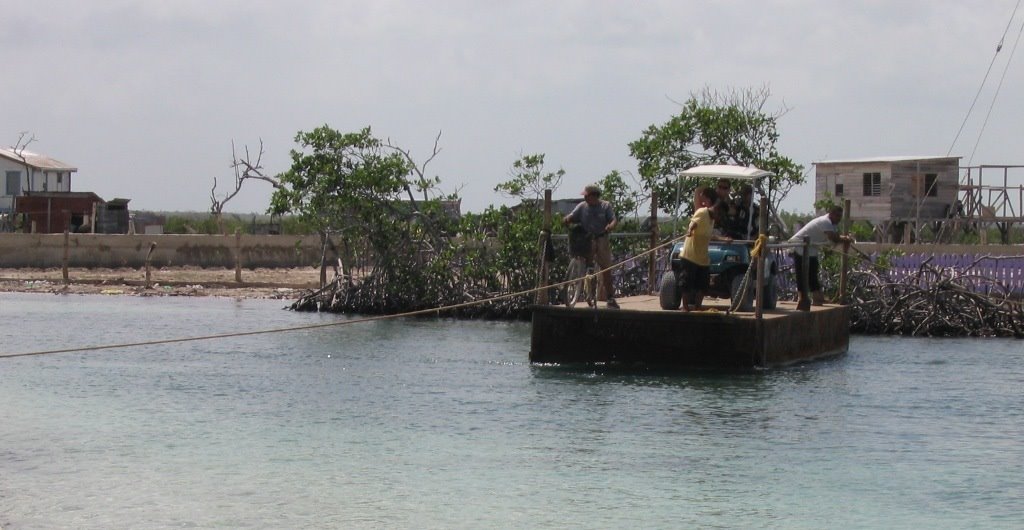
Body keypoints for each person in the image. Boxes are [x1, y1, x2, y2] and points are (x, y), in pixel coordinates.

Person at [563, 184, 619, 309]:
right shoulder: (582, 206)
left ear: (594, 196)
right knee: (588, 267)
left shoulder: (605, 206)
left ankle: (610, 298)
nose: (585, 198)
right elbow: (573, 216)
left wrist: (610, 226)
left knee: (606, 269)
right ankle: (588, 292)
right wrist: (567, 219)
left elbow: (613, 220)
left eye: (587, 196)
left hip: (601, 238)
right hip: (586, 239)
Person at [787, 205, 853, 310]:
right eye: (837, 216)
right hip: (800, 246)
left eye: (840, 216)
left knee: (813, 272)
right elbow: (833, 237)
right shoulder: (825, 221)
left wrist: (844, 238)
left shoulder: (832, 224)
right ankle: (803, 299)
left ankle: (817, 297)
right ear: (831, 214)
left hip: (811, 248)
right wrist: (846, 239)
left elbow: (833, 239)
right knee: (802, 274)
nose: (839, 218)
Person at [678, 186, 732, 311]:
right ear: (716, 210)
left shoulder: (711, 220)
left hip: (702, 257)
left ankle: (698, 306)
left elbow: (709, 236)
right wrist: (690, 231)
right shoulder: (702, 212)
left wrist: (724, 239)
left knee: (703, 284)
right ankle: (685, 307)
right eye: (720, 215)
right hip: (690, 256)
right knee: (686, 283)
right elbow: (693, 223)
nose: (720, 218)